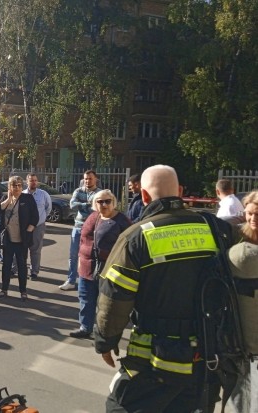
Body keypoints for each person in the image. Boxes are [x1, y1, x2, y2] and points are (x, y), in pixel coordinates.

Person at [94, 164, 234, 413]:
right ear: (180, 191)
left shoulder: (135, 237)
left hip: (153, 361)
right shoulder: (216, 229)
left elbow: (115, 298)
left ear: (145, 197)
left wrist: (105, 341)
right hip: (207, 358)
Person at [69, 190, 131, 339]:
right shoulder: (93, 217)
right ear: (94, 204)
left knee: (106, 304)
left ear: (113, 202)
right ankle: (85, 327)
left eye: (107, 201)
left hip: (109, 269)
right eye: (100, 201)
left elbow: (129, 246)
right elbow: (83, 240)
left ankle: (106, 332)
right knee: (85, 299)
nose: (103, 204)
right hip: (86, 267)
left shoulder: (122, 221)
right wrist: (79, 261)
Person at [226, 191, 258, 413]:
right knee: (240, 388)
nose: (253, 219)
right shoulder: (238, 236)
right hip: (239, 329)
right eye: (249, 214)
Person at [0, 176, 38, 302]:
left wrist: (29, 230)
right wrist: (9, 198)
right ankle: (4, 289)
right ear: (10, 187)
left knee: (22, 266)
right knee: (6, 266)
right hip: (8, 239)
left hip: (22, 239)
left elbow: (35, 216)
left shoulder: (28, 198)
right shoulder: (6, 198)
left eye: (19, 185)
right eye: (14, 185)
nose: (17, 188)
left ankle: (23, 291)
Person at [59, 170, 101, 291]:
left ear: (96, 179)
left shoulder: (99, 193)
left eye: (90, 178)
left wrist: (82, 205)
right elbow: (72, 205)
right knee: (73, 255)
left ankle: (91, 281)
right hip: (77, 227)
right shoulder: (78, 191)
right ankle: (71, 280)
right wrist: (87, 204)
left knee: (91, 256)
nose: (87, 181)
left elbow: (96, 210)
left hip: (93, 229)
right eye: (86, 179)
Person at [21, 173, 52, 280]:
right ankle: (18, 269)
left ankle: (34, 271)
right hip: (24, 227)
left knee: (35, 249)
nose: (34, 182)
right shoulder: (22, 194)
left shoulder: (43, 194)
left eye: (35, 180)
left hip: (38, 226)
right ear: (27, 182)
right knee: (22, 248)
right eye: (31, 180)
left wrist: (41, 219)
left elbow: (48, 208)